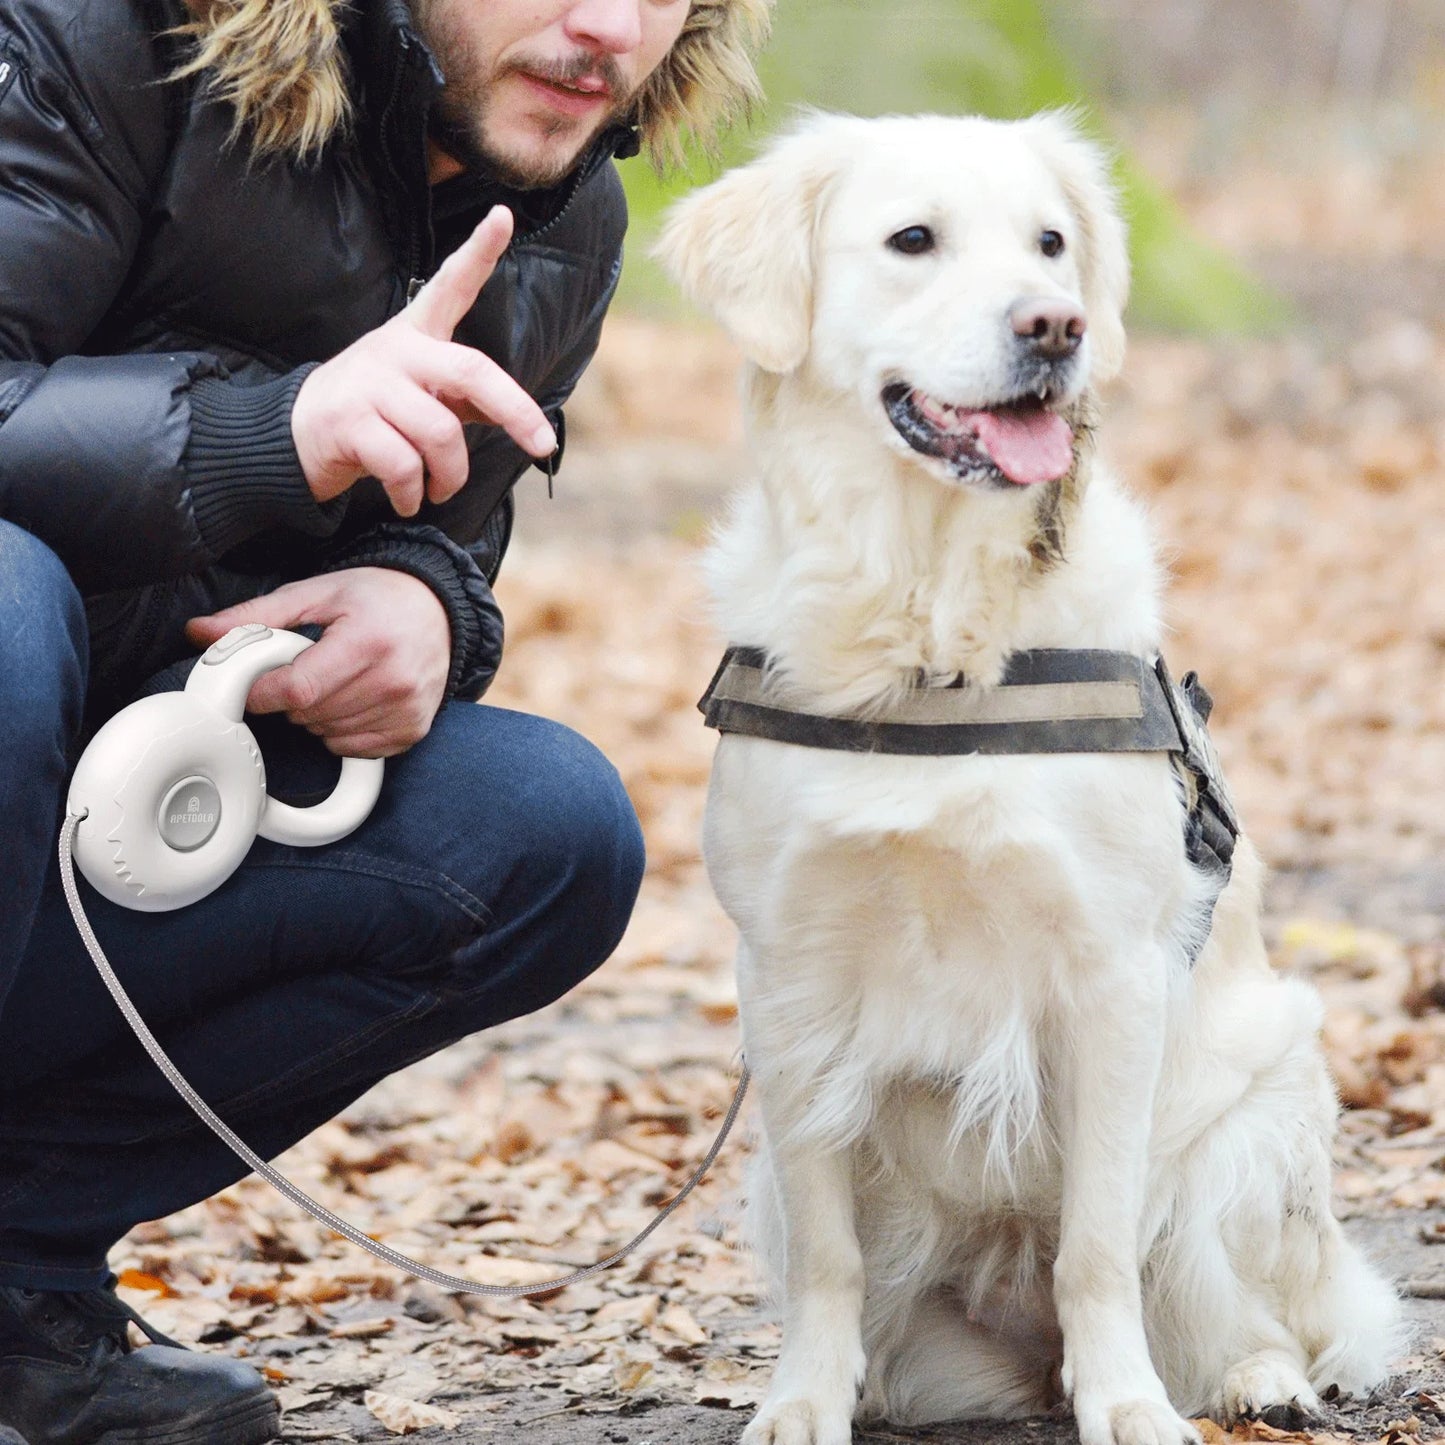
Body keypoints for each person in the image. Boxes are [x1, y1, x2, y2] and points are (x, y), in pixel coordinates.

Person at [0, 0, 771, 1440]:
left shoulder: (563, 211)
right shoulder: (101, 34)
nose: (606, 26)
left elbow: (444, 535)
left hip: (136, 788)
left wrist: (429, 608)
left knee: (548, 830)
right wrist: (265, 433)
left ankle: (16, 1276)